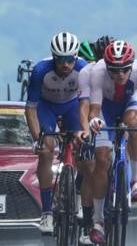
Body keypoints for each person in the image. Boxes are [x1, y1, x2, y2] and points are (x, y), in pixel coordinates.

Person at [85, 40, 137, 245]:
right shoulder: (98, 72)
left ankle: (136, 181)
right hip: (105, 108)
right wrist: (94, 120)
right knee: (101, 159)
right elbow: (94, 109)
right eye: (115, 70)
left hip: (129, 104)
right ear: (107, 66)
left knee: (136, 125)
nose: (120, 75)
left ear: (132, 66)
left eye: (125, 70)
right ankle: (97, 221)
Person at [23, 32, 89, 235]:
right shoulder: (40, 71)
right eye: (60, 59)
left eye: (70, 59)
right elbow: (31, 109)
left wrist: (84, 130)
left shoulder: (83, 69)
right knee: (46, 151)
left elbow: (87, 102)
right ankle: (47, 213)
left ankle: (78, 194)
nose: (65, 64)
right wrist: (37, 139)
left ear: (75, 57)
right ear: (53, 57)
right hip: (47, 107)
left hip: (72, 106)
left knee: (83, 145)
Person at [76, 35, 115, 245]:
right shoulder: (88, 72)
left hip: (110, 113)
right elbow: (82, 106)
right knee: (90, 165)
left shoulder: (125, 73)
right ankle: (90, 219)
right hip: (90, 112)